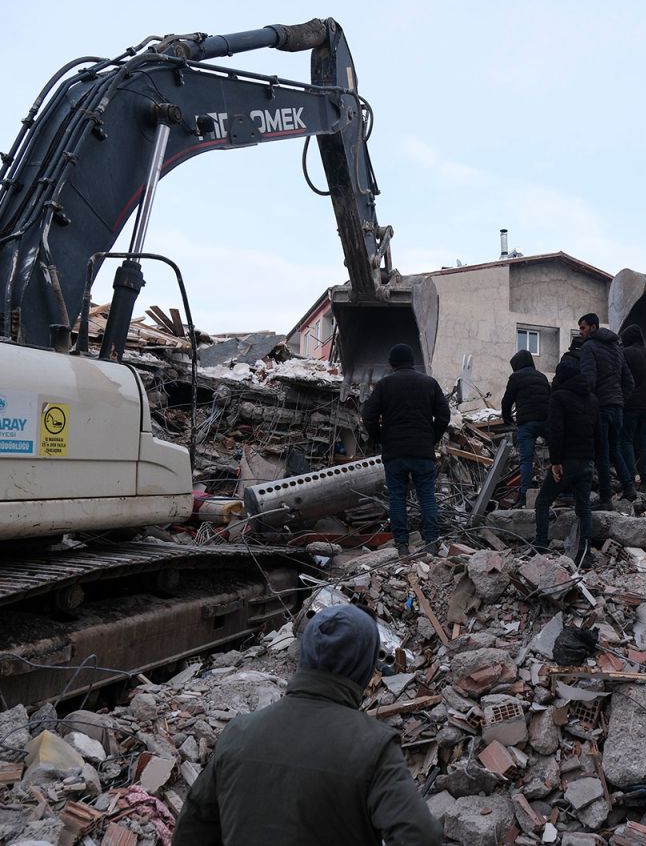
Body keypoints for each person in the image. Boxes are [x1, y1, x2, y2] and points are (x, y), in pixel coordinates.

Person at [173, 605, 442, 846]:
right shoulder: (374, 747)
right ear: (365, 665)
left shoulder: (238, 731)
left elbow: (192, 831)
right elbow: (419, 837)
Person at [361, 344, 450, 553]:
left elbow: (368, 417)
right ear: (412, 361)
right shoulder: (429, 383)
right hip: (422, 452)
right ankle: (431, 543)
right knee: (427, 497)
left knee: (397, 498)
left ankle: (401, 545)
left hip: (395, 453)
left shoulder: (384, 385)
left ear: (392, 363)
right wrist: (432, 438)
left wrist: (380, 438)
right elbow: (444, 416)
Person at [534, 341, 599, 565]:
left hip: (568, 460)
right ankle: (586, 551)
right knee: (584, 507)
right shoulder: (593, 399)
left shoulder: (559, 397)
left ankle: (541, 544)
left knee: (543, 501)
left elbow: (556, 431)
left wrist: (556, 461)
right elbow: (598, 433)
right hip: (587, 460)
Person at [577, 313, 634, 509]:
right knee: (615, 449)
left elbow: (588, 380)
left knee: (602, 453)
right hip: (617, 407)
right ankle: (629, 488)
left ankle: (605, 499)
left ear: (593, 327)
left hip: (601, 407)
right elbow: (629, 382)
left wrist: (586, 404)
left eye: (583, 328)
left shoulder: (589, 348)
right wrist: (619, 400)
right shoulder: (617, 349)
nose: (581, 332)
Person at [501, 349, 551, 508]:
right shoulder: (542, 377)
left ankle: (524, 496)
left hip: (527, 424)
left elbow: (506, 401)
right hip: (546, 422)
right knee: (556, 456)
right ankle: (558, 491)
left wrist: (507, 419)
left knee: (526, 460)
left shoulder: (515, 377)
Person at [617, 324, 646, 495]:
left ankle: (630, 475)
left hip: (631, 405)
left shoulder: (625, 354)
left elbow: (622, 379)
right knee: (644, 442)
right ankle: (645, 478)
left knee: (625, 440)